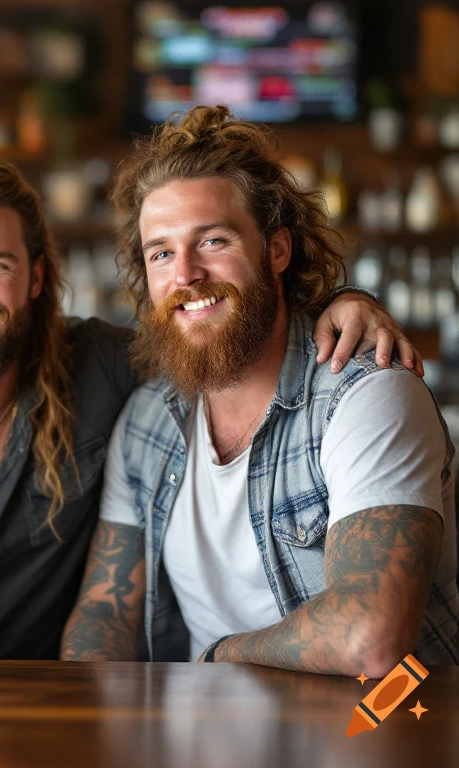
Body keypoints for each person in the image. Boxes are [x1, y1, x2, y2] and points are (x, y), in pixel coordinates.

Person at [0, 152, 417, 661]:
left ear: (35, 277)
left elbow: (218, 327)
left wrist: (343, 301)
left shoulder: (105, 368)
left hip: (64, 724)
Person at [62, 105, 459, 675]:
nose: (186, 274)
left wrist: (219, 657)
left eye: (213, 241)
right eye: (162, 253)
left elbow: (371, 638)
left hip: (374, 735)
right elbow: (105, 611)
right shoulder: (149, 418)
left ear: (277, 249)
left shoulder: (365, 397)